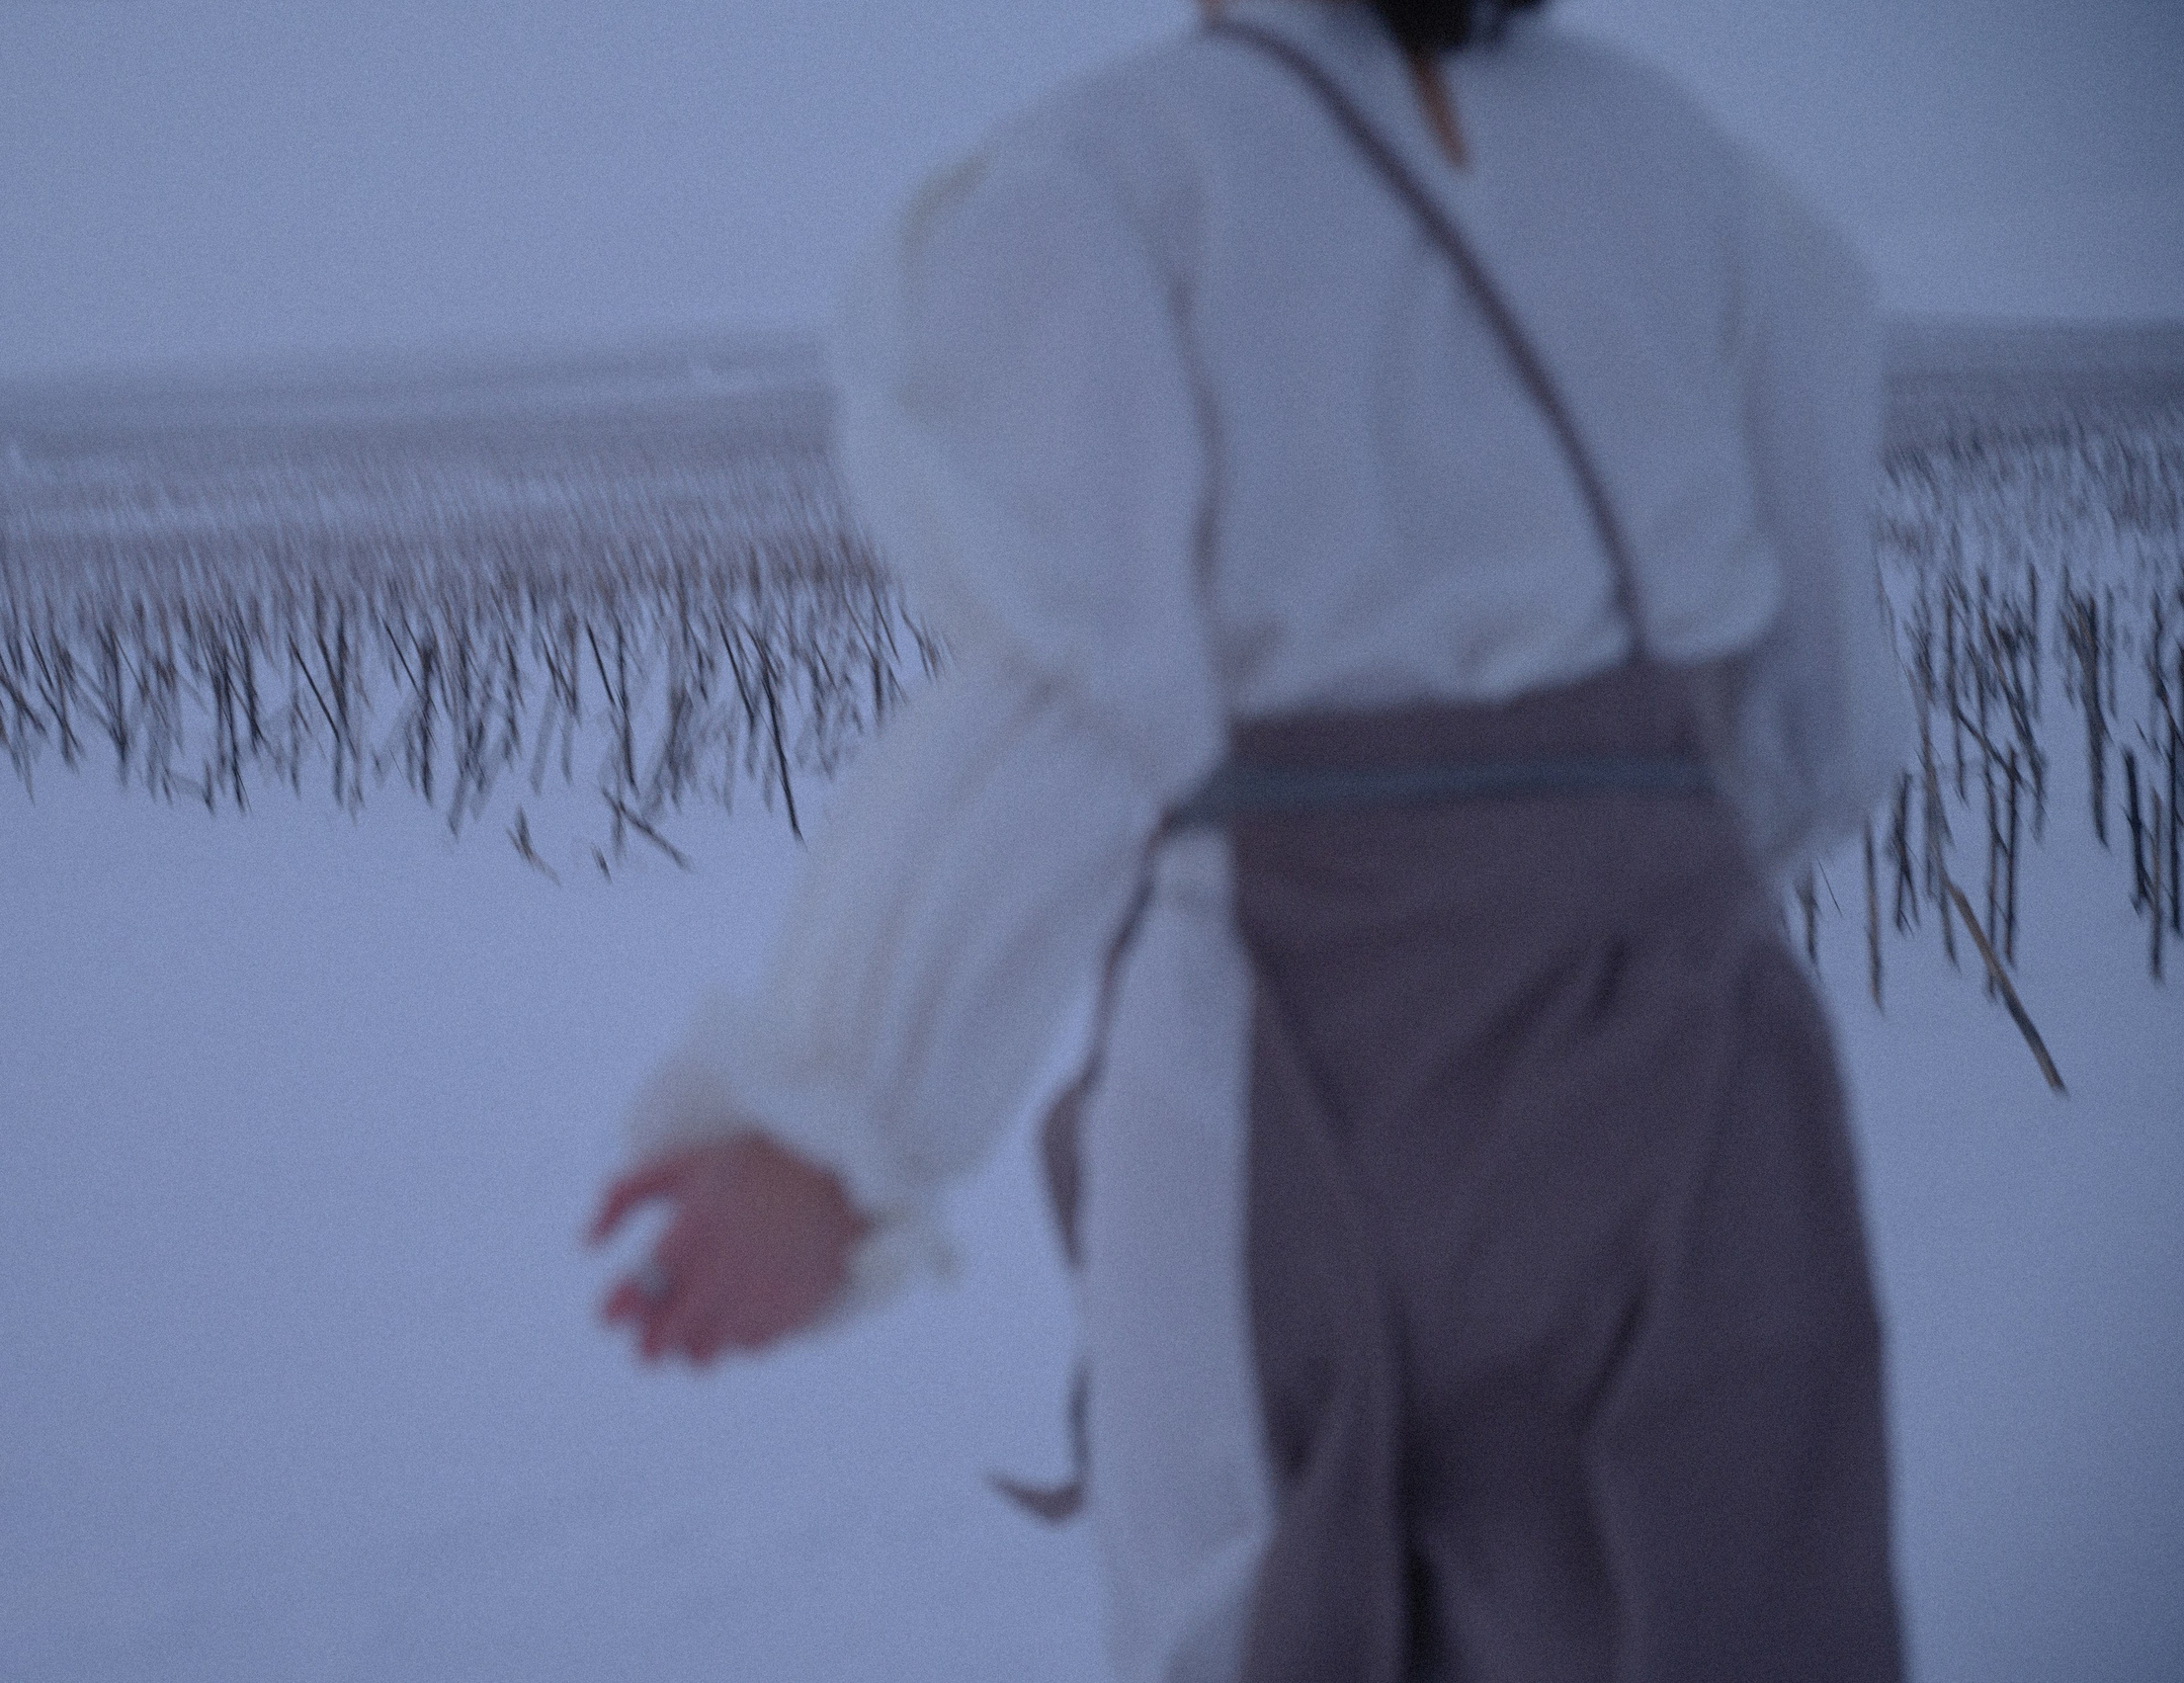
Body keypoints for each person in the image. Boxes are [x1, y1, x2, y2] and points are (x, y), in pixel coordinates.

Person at [586, 0, 1910, 1678]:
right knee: (1716, 1583)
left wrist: (836, 1126)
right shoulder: (1697, 172)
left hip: (1290, 1060)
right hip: (1698, 1045)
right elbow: (1818, 720)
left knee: (1252, 1598)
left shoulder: (1120, 176)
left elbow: (1080, 692)